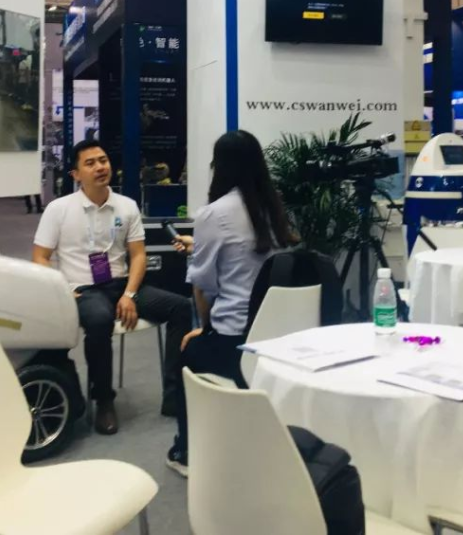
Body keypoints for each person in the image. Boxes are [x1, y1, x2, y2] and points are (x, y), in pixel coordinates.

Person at [32, 140, 191, 435]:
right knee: (99, 319)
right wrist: (63, 290)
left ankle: (174, 396)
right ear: (75, 174)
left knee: (181, 308)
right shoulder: (58, 209)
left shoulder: (126, 206)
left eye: (103, 160)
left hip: (122, 285)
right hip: (83, 289)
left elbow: (138, 255)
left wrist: (129, 294)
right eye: (90, 163)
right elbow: (40, 257)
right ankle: (104, 399)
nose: (100, 167)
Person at [164, 130, 296, 477]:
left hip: (237, 342)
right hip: (280, 337)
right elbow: (249, 256)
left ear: (218, 167)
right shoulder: (275, 208)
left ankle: (186, 451)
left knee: (187, 354)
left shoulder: (214, 213)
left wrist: (204, 330)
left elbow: (203, 287)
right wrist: (200, 246)